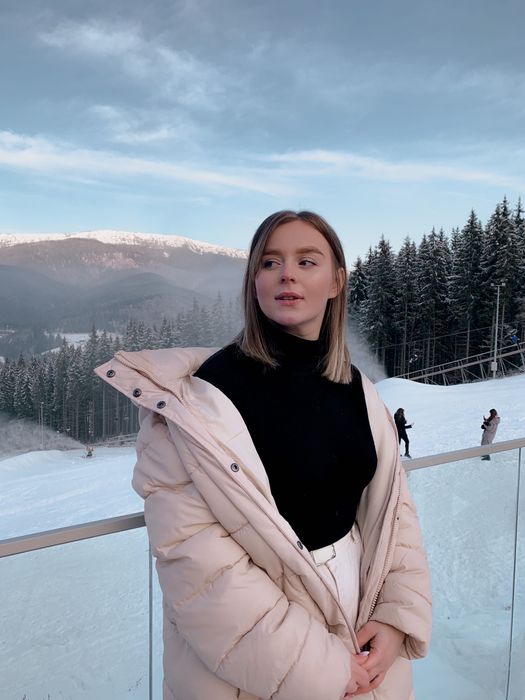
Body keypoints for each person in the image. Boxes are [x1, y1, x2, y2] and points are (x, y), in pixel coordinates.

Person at [96, 211, 431, 700]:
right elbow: (199, 568)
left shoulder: (358, 389)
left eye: (306, 261)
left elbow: (393, 515)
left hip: (365, 633)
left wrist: (395, 616)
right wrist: (321, 668)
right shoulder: (198, 402)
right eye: (270, 262)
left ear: (336, 282)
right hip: (254, 661)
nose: (286, 274)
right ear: (254, 282)